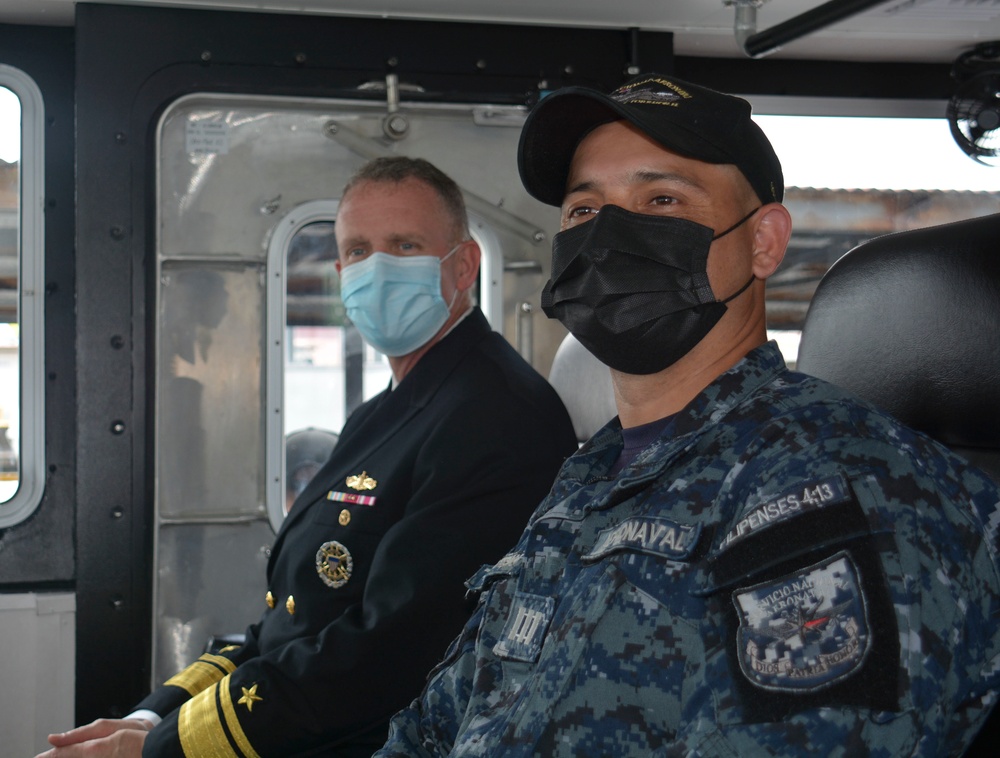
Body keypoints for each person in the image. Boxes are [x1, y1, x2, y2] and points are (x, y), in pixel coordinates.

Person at [375, 74, 1000, 756]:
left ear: (763, 242)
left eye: (662, 199)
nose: (610, 233)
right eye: (584, 212)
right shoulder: (589, 480)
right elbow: (437, 726)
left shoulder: (836, 488)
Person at [39, 156, 577, 758]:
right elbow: (292, 619)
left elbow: (390, 654)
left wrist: (164, 748)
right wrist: (151, 716)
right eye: (357, 250)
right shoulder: (385, 411)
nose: (377, 268)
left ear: (465, 266)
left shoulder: (495, 414)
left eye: (404, 245)